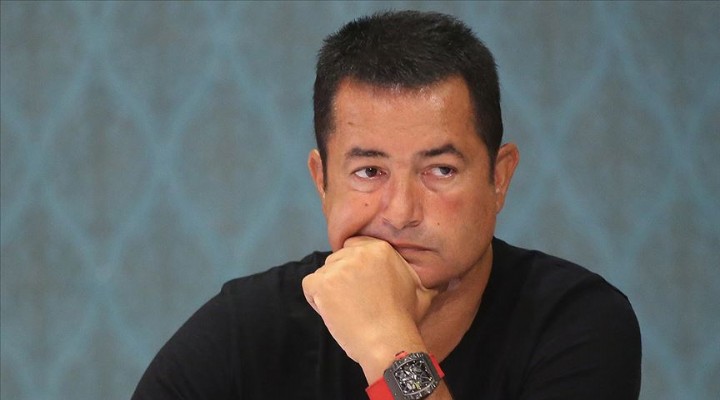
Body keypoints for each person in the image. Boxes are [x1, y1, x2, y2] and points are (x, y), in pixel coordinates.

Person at [132, 10, 641, 400]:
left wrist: (386, 342)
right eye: (369, 172)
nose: (400, 213)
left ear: (499, 178)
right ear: (322, 181)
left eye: (440, 170)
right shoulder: (244, 330)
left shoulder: (576, 323)